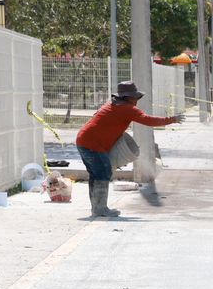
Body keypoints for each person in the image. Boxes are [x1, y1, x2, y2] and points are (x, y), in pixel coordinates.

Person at [74, 81, 183, 218]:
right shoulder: (127, 108)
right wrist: (171, 119)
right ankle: (100, 209)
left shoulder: (111, 105)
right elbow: (148, 120)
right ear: (128, 97)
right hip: (93, 144)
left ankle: (97, 208)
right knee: (103, 173)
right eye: (135, 97)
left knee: (96, 175)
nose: (136, 100)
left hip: (83, 140)